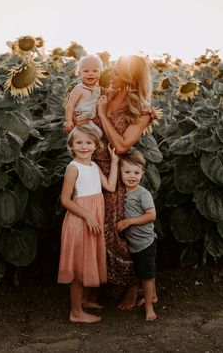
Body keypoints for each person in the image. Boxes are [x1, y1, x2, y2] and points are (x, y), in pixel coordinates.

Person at [93, 54, 160, 310]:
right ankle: (100, 284)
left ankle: (132, 288)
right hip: (93, 172)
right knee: (98, 229)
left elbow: (121, 146)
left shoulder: (142, 109)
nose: (115, 75)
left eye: (121, 72)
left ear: (133, 78)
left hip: (117, 175)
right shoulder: (106, 93)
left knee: (119, 234)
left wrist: (101, 112)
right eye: (115, 70)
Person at [58, 124, 118, 323]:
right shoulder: (73, 168)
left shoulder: (94, 166)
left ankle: (83, 300)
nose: (84, 146)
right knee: (78, 266)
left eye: (88, 142)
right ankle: (75, 312)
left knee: (87, 261)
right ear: (71, 146)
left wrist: (115, 162)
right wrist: (88, 216)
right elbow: (65, 200)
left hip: (93, 220)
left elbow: (109, 186)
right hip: (79, 221)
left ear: (96, 145)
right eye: (79, 142)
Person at [117, 150, 157, 320]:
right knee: (144, 272)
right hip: (133, 244)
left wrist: (129, 222)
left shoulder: (143, 194)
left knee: (146, 276)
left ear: (142, 174)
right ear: (120, 172)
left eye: (136, 172)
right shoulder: (120, 192)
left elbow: (151, 215)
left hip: (146, 243)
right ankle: (153, 296)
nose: (131, 176)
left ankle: (149, 307)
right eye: (127, 172)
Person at [63, 54, 103, 137]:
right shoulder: (79, 89)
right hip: (79, 120)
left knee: (99, 134)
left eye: (95, 71)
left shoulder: (98, 89)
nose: (90, 74)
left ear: (100, 73)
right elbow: (70, 105)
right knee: (79, 137)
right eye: (86, 71)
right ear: (79, 73)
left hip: (90, 121)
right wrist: (69, 120)